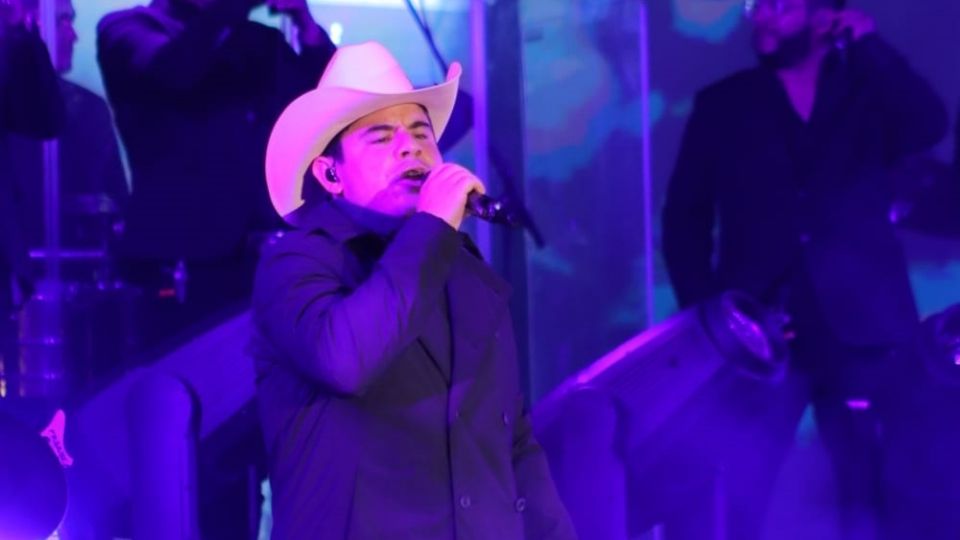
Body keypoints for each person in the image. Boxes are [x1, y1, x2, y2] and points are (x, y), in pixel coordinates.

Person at [252, 41, 576, 539]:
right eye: (382, 138)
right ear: (330, 173)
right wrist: (431, 227)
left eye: (422, 132)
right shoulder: (297, 263)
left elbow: (512, 438)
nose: (411, 148)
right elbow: (345, 360)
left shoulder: (460, 267)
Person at [662, 0, 947, 539]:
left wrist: (871, 46)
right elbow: (684, 218)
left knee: (873, 492)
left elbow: (928, 125)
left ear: (823, 16)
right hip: (758, 330)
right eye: (757, 6)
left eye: (780, 5)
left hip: (862, 326)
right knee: (738, 485)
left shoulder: (867, 91)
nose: (763, 16)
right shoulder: (725, 104)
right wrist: (711, 317)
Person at [96, 0, 335, 348]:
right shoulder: (128, 29)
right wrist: (228, 10)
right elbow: (175, 70)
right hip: (175, 254)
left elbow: (323, 104)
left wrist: (306, 24)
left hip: (254, 252)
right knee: (182, 369)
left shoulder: (255, 40)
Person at [7, 0, 128, 255]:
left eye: (70, 21)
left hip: (75, 262)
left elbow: (114, 201)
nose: (73, 36)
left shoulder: (89, 108)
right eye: (60, 21)